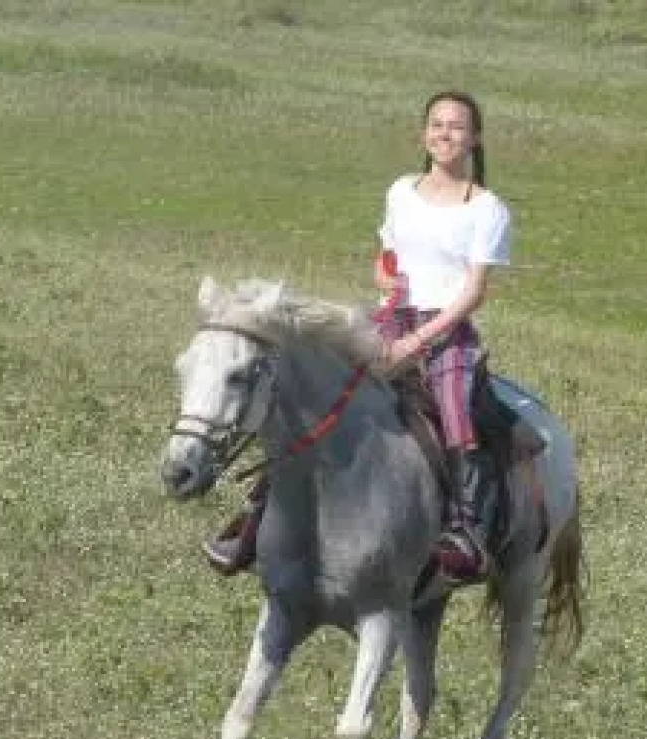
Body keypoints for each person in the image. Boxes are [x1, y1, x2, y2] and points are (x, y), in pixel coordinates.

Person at [206, 90, 532, 583]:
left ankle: (467, 527)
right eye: (437, 125)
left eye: (457, 127)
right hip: (390, 315)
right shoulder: (402, 190)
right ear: (424, 134)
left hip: (445, 326)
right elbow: (386, 259)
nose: (446, 134)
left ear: (476, 138)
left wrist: (417, 342)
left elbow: (473, 291)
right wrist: (387, 281)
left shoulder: (487, 209)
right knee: (313, 388)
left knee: (456, 406)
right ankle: (260, 511)